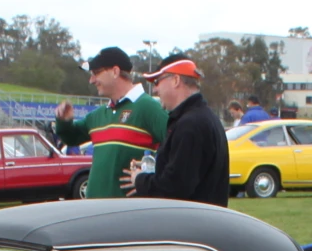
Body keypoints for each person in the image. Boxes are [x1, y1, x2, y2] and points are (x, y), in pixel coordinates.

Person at [53, 47, 167, 199]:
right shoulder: (98, 115)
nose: (91, 80)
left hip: (128, 214)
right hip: (95, 211)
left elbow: (178, 148)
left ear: (115, 72)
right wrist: (64, 121)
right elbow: (71, 138)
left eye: (96, 73)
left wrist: (150, 179)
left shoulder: (148, 107)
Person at [122, 57, 228, 205]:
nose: (155, 89)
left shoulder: (190, 125)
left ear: (176, 80)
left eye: (157, 81)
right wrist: (155, 168)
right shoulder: (205, 118)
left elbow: (174, 188)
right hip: (204, 221)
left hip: (190, 224)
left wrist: (139, 179)